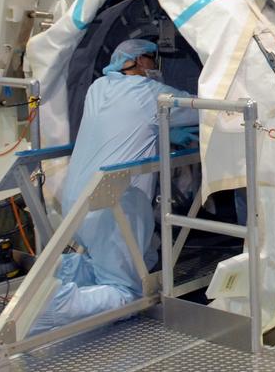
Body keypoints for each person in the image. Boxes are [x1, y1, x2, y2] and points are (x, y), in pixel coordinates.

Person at [31, 38, 199, 333]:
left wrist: (164, 132)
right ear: (138, 61)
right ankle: (57, 306)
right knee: (125, 290)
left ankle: (55, 281)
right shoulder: (153, 94)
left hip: (75, 200)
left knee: (110, 258)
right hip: (112, 205)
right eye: (152, 60)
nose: (155, 67)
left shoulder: (97, 88)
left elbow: (120, 126)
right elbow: (203, 109)